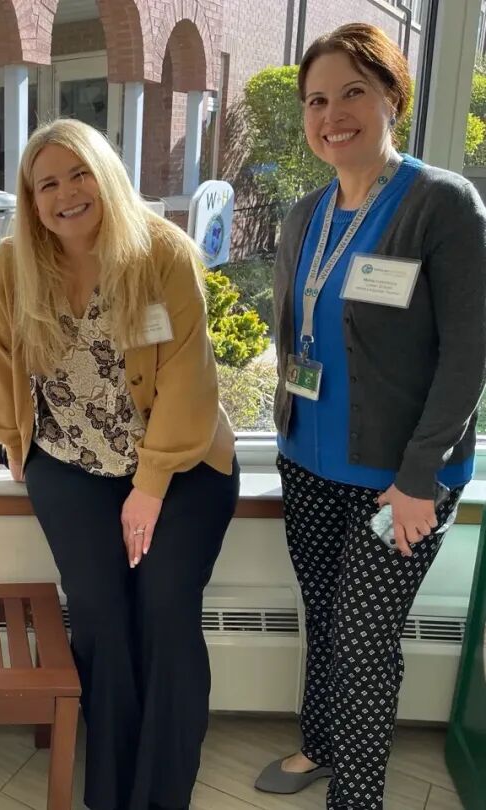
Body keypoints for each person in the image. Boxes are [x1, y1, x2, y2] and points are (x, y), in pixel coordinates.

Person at [255, 23, 486, 809]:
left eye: (353, 92)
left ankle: (357, 799)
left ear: (393, 96)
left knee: (364, 642)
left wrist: (421, 477)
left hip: (401, 484)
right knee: (326, 619)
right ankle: (320, 745)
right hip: (308, 467)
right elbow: (297, 335)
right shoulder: (304, 216)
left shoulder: (440, 205)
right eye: (317, 100)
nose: (333, 115)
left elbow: (469, 355)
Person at [0, 118, 240, 810]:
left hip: (182, 469)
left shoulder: (162, 252)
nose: (66, 194)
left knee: (165, 612)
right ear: (31, 199)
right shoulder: (13, 264)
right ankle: (111, 791)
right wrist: (14, 441)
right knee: (99, 618)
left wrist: (149, 487)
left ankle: (163, 793)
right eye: (47, 184)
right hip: (71, 466)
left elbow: (188, 377)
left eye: (80, 174)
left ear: (108, 175)